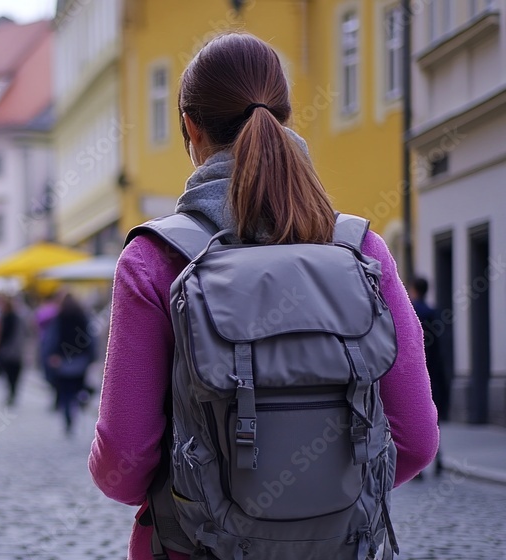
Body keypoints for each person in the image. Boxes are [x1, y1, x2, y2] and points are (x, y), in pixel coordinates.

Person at [89, 33, 439, 560]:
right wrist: (318, 507)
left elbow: (123, 460)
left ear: (190, 127)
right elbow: (415, 440)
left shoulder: (154, 260)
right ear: (285, 116)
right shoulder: (362, 250)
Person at [410, 276, 449, 475]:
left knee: (417, 417)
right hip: (434, 370)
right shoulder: (434, 312)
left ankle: (420, 468)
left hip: (417, 371)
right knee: (435, 417)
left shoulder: (411, 311)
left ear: (415, 289)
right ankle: (439, 459)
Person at [43, 294, 96, 436]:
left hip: (63, 361)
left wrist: (50, 356)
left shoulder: (58, 318)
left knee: (65, 393)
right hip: (81, 360)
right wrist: (91, 357)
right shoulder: (83, 317)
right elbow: (91, 338)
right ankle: (81, 400)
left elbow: (51, 339)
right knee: (78, 388)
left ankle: (68, 420)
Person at [0, 297, 25, 407]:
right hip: (15, 351)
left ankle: (12, 393)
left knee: (11, 374)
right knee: (13, 374)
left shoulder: (10, 319)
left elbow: (3, 336)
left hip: (10, 351)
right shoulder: (14, 318)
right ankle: (12, 393)